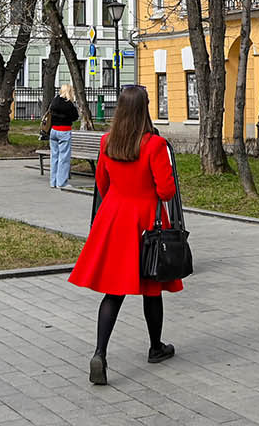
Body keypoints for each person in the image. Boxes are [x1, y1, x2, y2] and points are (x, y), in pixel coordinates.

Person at [67, 85, 180, 385]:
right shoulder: (154, 145)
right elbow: (166, 191)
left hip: (115, 220)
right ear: (144, 108)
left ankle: (100, 353)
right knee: (152, 288)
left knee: (113, 292)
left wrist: (119, 200)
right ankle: (156, 347)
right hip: (145, 222)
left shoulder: (107, 142)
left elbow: (102, 184)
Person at [46, 83, 80, 188]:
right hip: (64, 131)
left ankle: (53, 182)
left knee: (54, 157)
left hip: (53, 131)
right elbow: (75, 117)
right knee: (63, 158)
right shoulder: (69, 104)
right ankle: (61, 183)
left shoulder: (55, 101)